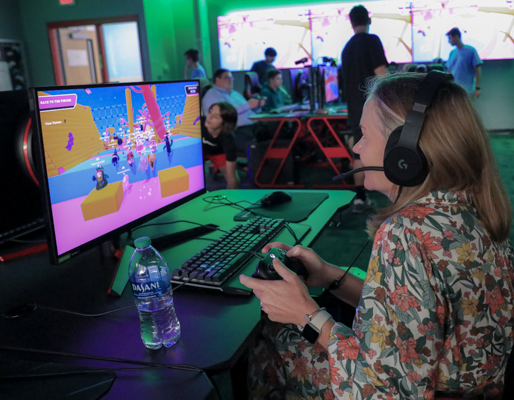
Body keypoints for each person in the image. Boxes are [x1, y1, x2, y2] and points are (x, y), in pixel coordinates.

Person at [240, 72, 514, 400]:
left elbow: (385, 389)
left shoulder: (405, 234)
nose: (356, 148)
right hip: (474, 387)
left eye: (365, 135)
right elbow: (411, 315)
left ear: (404, 154)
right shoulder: (472, 206)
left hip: (415, 390)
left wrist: (305, 314)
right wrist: (328, 275)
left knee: (271, 336)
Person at [341, 5, 388, 213]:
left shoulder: (346, 48)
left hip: (355, 110)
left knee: (359, 152)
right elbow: (381, 74)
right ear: (369, 20)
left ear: (351, 23)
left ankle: (360, 198)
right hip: (374, 107)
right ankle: (393, 194)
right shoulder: (372, 41)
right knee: (385, 147)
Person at [202, 69, 267, 152]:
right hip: (237, 130)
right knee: (256, 145)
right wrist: (248, 105)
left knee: (274, 131)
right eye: (227, 78)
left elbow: (248, 111)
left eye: (231, 78)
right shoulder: (212, 95)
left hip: (254, 125)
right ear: (217, 79)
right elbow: (225, 113)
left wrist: (258, 106)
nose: (231, 80)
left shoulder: (235, 94)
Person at [202, 102, 239, 189]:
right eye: (210, 112)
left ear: (224, 123)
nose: (209, 117)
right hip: (200, 151)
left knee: (234, 179)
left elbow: (231, 178)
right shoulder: (197, 124)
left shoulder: (228, 139)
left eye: (215, 117)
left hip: (219, 153)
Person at [446, 28, 482, 98]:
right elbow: (449, 71)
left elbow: (477, 70)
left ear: (456, 36)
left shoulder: (470, 51)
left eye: (450, 38)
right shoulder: (452, 53)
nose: (449, 41)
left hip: (467, 89)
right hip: (454, 90)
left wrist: (477, 88)